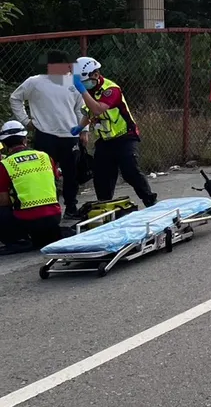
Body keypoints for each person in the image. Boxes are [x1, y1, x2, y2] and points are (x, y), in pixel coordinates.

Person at [72, 57, 157, 208]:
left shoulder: (111, 90)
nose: (83, 85)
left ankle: (150, 200)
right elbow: (89, 112)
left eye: (84, 81)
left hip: (125, 136)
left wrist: (83, 91)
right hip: (105, 140)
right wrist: (79, 128)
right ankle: (105, 207)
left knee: (130, 171)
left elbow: (98, 108)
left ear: (96, 75)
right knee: (102, 177)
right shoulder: (90, 91)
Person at [9, 48, 84, 218]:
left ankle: (71, 207)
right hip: (45, 134)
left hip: (70, 134)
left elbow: (81, 108)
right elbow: (15, 98)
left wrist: (84, 130)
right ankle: (50, 206)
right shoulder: (34, 82)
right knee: (45, 173)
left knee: (71, 173)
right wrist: (26, 121)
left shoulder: (74, 82)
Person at [0, 120, 64, 254]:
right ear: (25, 139)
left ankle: (16, 241)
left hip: (27, 221)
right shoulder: (45, 156)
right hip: (54, 216)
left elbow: (3, 201)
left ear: (5, 144)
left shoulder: (5, 165)